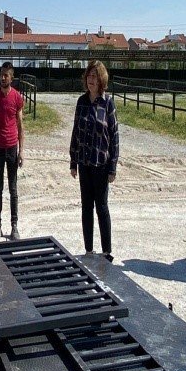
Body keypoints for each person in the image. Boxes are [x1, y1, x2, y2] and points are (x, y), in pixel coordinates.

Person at [69, 60, 119, 262]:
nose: (91, 81)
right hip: (84, 163)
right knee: (86, 207)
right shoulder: (81, 101)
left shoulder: (108, 103)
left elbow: (114, 136)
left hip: (101, 163)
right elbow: (75, 132)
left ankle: (107, 252)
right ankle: (89, 250)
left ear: (101, 80)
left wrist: (113, 166)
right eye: (88, 77)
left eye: (94, 77)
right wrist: (73, 160)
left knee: (102, 207)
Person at [0, 62, 24, 241]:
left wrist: (21, 151)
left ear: (11, 78)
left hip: (12, 148)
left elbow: (20, 125)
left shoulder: (17, 98)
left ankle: (14, 225)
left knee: (13, 188)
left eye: (6, 75)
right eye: (1, 74)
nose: (2, 78)